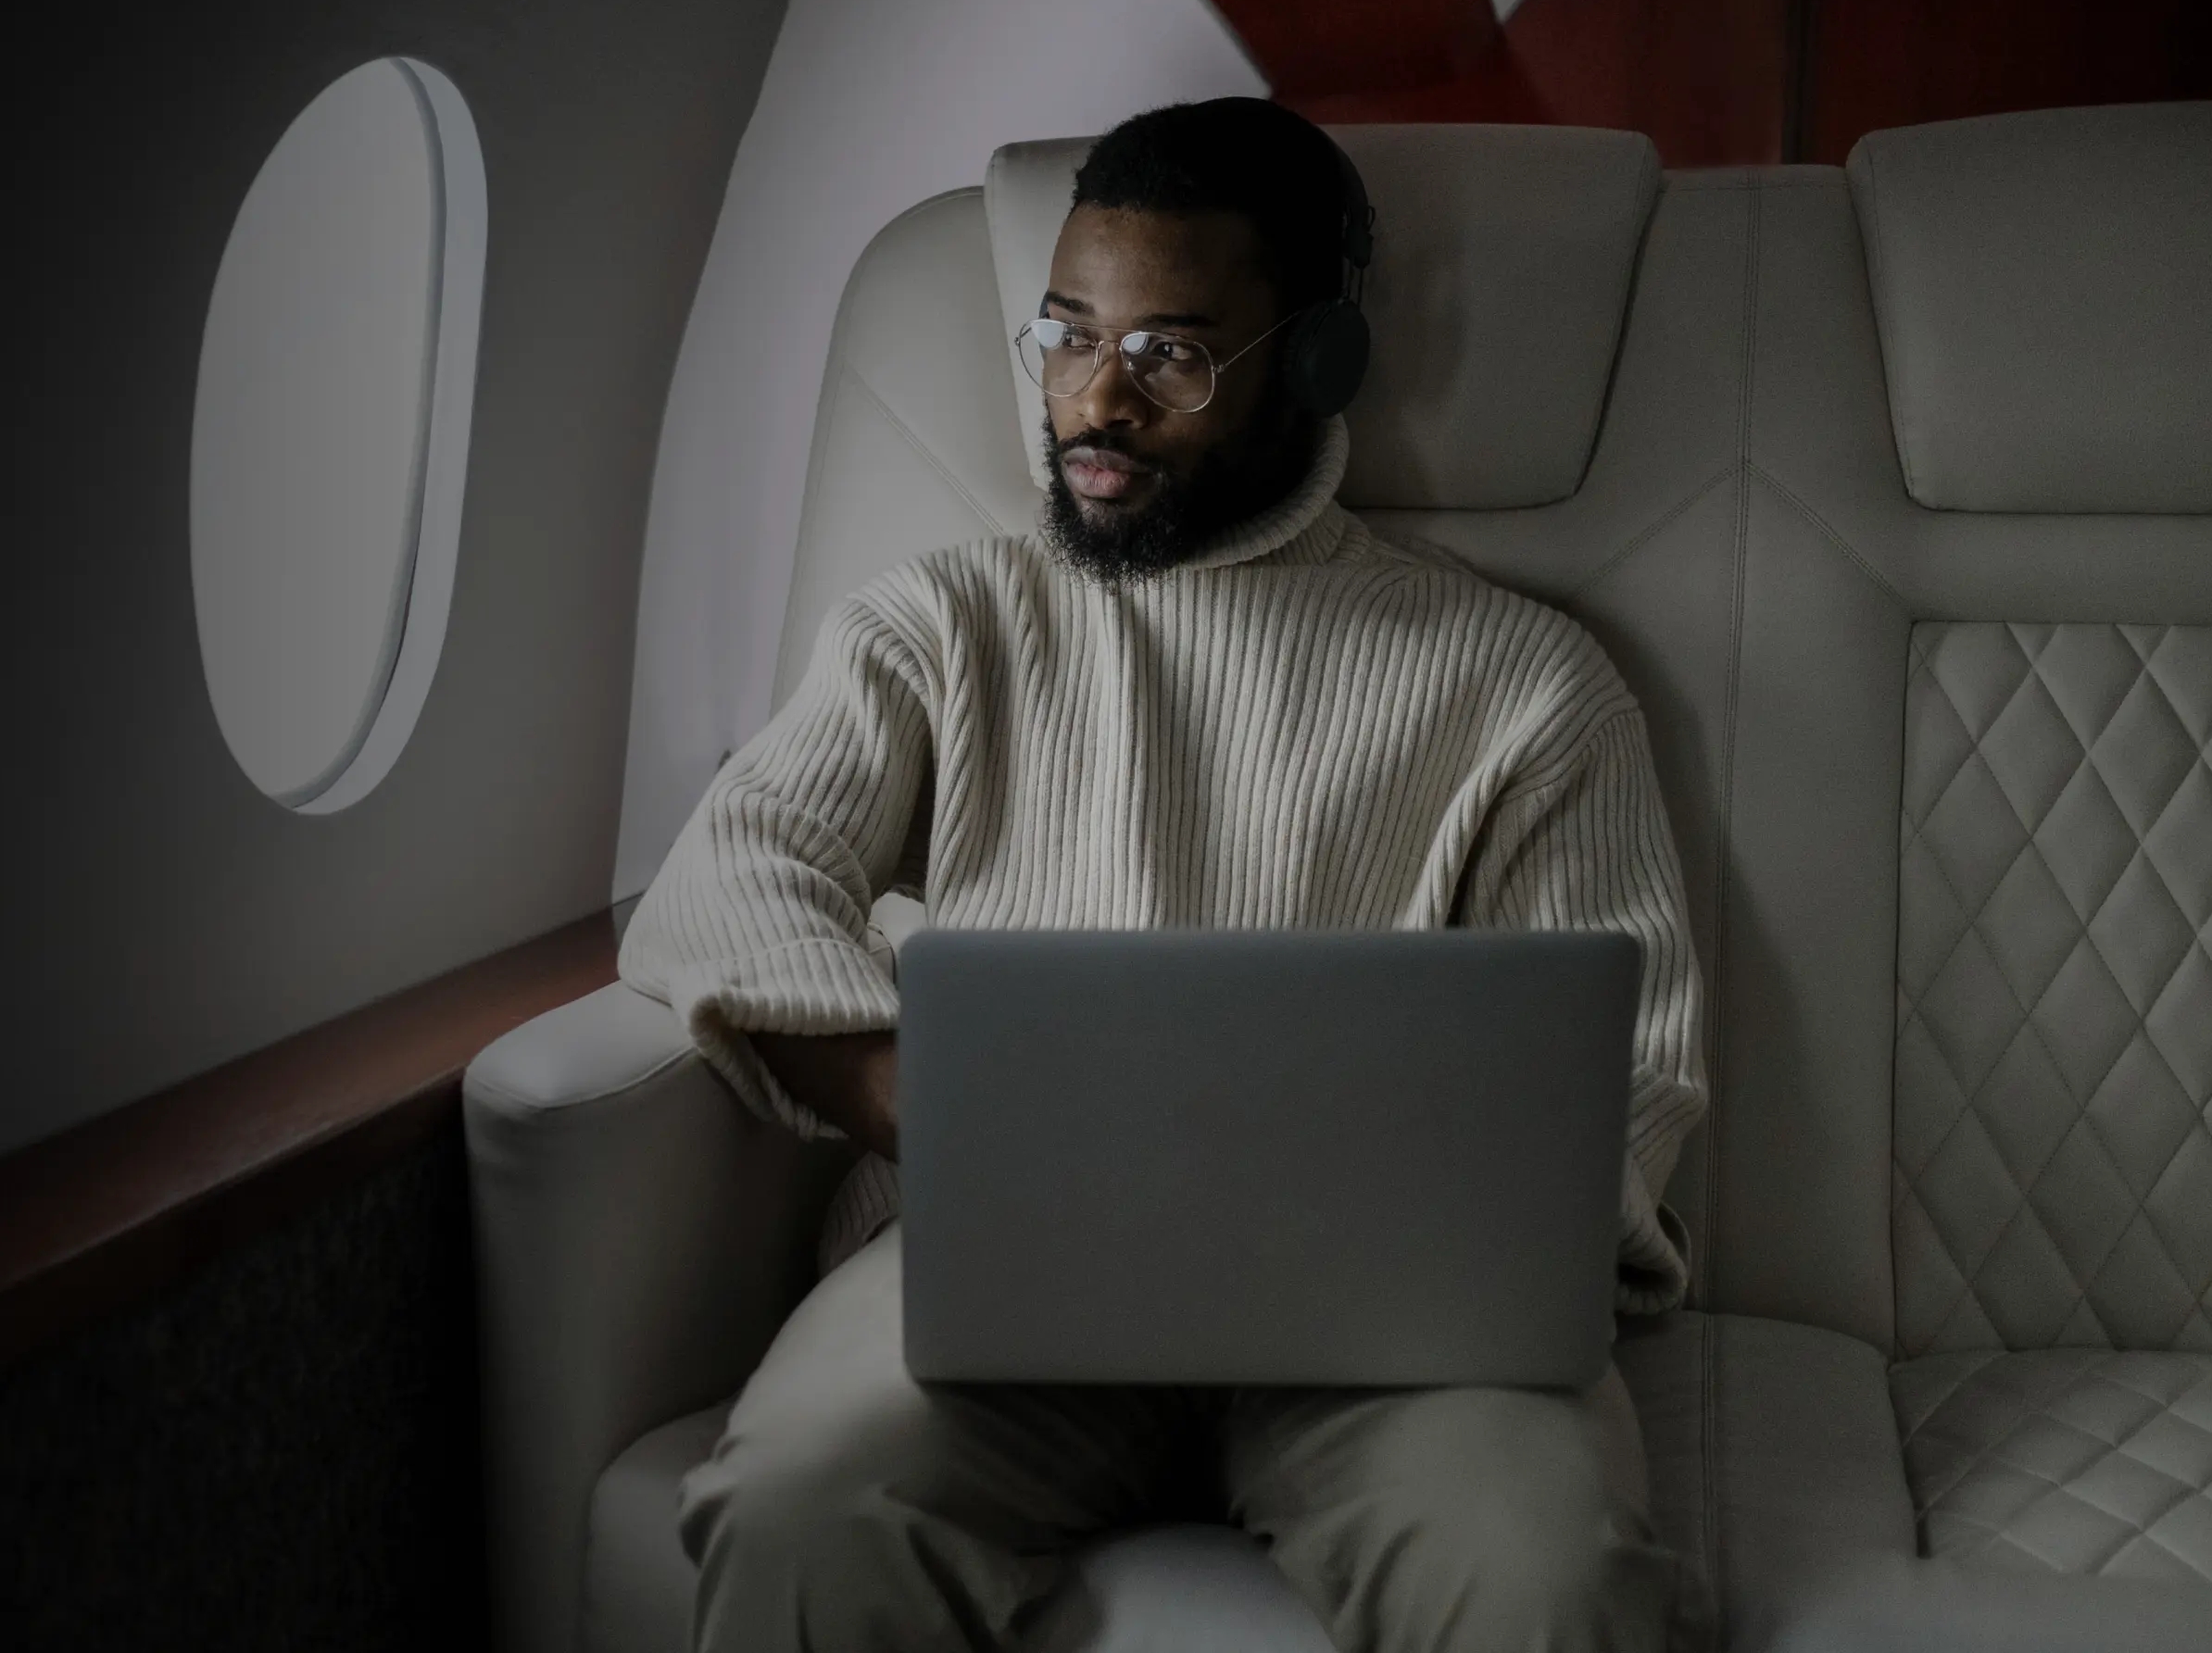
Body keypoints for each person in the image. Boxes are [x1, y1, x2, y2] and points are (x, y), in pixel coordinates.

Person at [619, 95, 1706, 1653]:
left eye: (1169, 355)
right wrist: (919, 1094)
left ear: (1318, 365)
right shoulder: (939, 625)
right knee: (799, 1511)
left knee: (1549, 1578)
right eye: (1066, 335)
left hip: (1394, 1333)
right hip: (1003, 1283)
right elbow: (727, 878)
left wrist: (1430, 1221)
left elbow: (1634, 1088)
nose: (1093, 404)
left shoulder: (1528, 685)